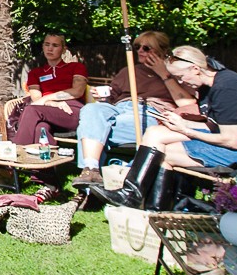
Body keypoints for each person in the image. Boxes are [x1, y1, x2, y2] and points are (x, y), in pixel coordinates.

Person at [102, 46, 237, 210]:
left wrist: (186, 130)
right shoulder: (210, 84)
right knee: (155, 133)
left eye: (181, 77)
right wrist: (181, 123)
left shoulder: (227, 88)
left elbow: (231, 140)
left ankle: (158, 209)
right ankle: (134, 195)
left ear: (196, 69)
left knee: (163, 155)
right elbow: (215, 125)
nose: (180, 82)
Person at [71, 30, 200, 188]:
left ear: (162, 51)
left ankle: (90, 186)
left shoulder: (175, 72)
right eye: (137, 46)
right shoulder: (130, 71)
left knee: (91, 130)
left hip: (149, 112)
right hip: (119, 108)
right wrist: (103, 94)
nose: (139, 51)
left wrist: (163, 74)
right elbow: (112, 95)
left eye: (146, 48)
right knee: (91, 111)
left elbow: (186, 103)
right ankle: (91, 169)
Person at [9, 33, 87, 147]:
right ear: (43, 47)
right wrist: (52, 104)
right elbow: (37, 99)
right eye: (47, 44)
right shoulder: (35, 73)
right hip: (45, 111)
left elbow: (77, 91)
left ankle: (16, 157)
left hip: (71, 110)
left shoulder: (76, 67)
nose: (50, 48)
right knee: (41, 128)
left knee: (31, 110)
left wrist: (47, 98)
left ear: (64, 49)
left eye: (55, 45)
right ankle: (45, 163)